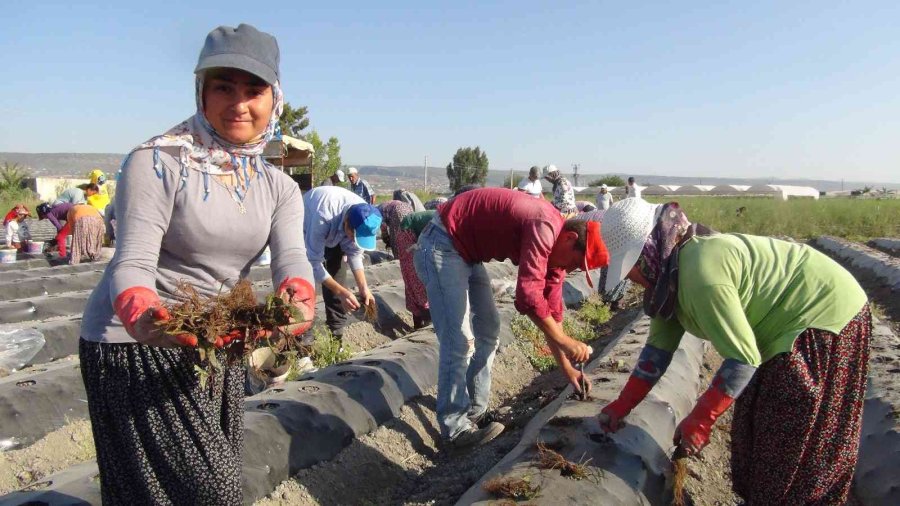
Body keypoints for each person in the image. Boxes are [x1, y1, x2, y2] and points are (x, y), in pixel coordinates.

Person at [77, 24, 316, 505]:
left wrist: (298, 296)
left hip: (215, 345)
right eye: (223, 87)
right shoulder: (159, 161)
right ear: (201, 92)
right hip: (137, 343)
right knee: (213, 492)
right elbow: (133, 262)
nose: (239, 104)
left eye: (254, 90)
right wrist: (148, 314)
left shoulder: (279, 186)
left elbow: (292, 255)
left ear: (275, 99)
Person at [597, 198, 870, 505]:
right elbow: (656, 353)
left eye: (631, 267)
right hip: (774, 328)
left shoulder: (699, 273)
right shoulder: (668, 284)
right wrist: (621, 406)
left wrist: (700, 419)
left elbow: (743, 358)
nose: (631, 278)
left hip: (820, 314)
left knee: (789, 440)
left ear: (648, 251)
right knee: (751, 432)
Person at [414, 188, 608, 450]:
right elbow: (527, 297)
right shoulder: (544, 226)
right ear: (569, 238)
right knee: (458, 340)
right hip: (442, 244)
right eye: (575, 263)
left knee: (489, 330)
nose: (569, 270)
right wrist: (565, 342)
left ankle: (475, 412)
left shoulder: (556, 254)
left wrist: (567, 368)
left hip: (467, 253)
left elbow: (551, 312)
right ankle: (454, 430)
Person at [304, 185, 382, 343]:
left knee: (338, 282)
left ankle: (336, 338)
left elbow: (354, 254)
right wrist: (341, 292)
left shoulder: (363, 214)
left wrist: (363, 288)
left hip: (335, 234)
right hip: (305, 229)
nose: (354, 241)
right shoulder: (324, 215)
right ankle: (303, 342)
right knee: (305, 285)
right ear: (346, 223)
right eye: (353, 236)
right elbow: (313, 263)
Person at [380, 200, 430, 328]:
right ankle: (423, 317)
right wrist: (388, 239)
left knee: (416, 275)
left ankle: (422, 317)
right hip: (407, 230)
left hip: (409, 227)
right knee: (414, 275)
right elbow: (384, 228)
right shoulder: (380, 212)